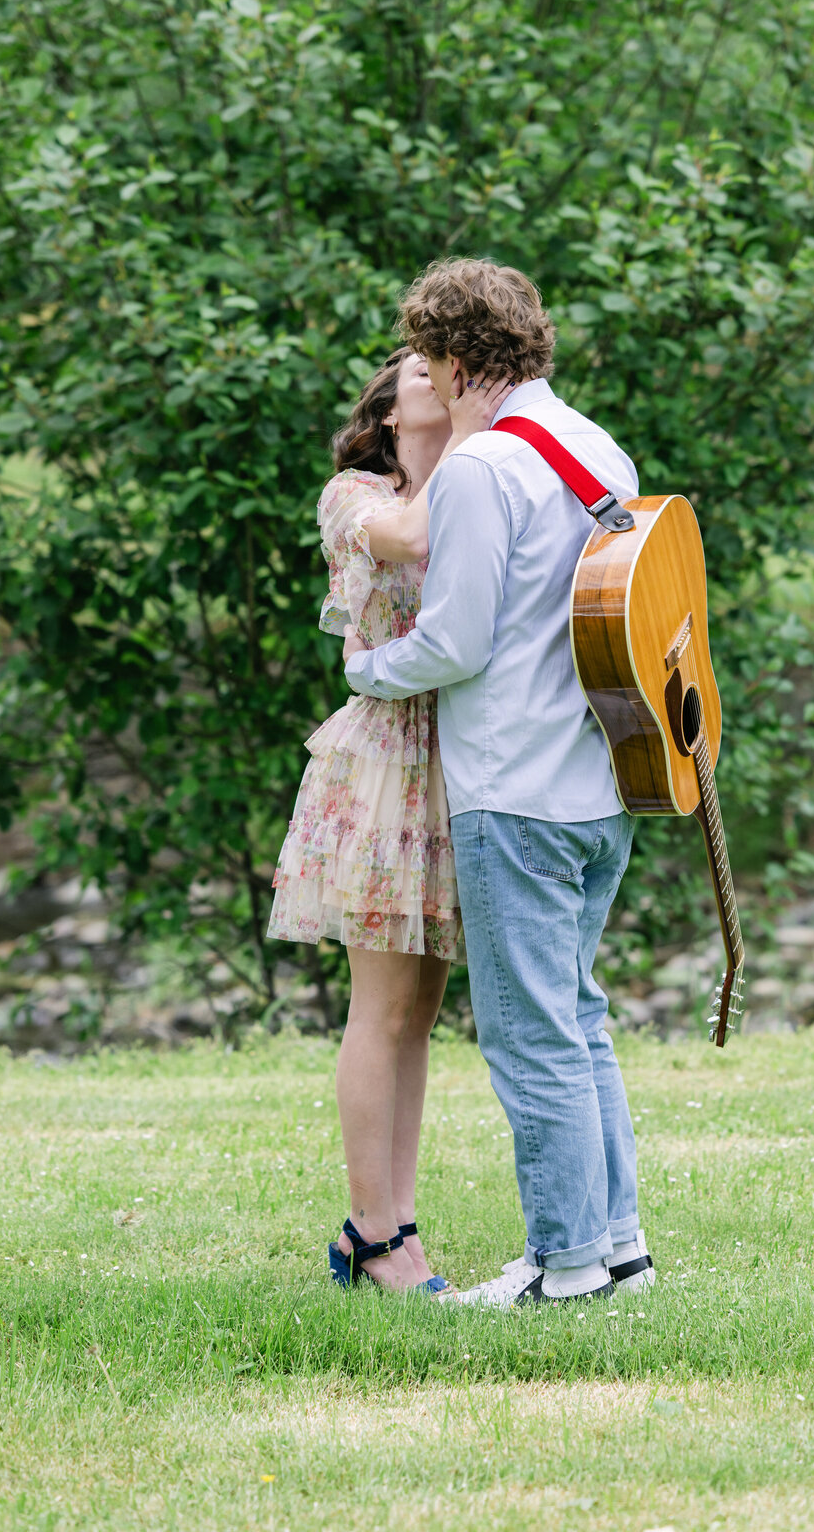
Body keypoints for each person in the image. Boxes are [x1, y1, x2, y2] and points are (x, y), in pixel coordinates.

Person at [342, 258, 654, 1307]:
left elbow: (457, 641)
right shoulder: (594, 448)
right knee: (579, 1018)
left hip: (512, 789)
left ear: (462, 362)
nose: (421, 373)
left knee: (531, 1039)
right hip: (601, 779)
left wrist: (369, 670)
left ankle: (566, 1266)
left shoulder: (481, 470)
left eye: (428, 357)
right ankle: (621, 1251)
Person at [267, 347, 507, 1293]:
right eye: (424, 376)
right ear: (390, 412)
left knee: (420, 1013)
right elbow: (409, 539)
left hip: (458, 760)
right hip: (379, 768)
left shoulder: (481, 480)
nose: (445, 379)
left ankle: (398, 1228)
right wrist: (474, 442)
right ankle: (374, 1235)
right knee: (380, 1007)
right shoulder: (354, 493)